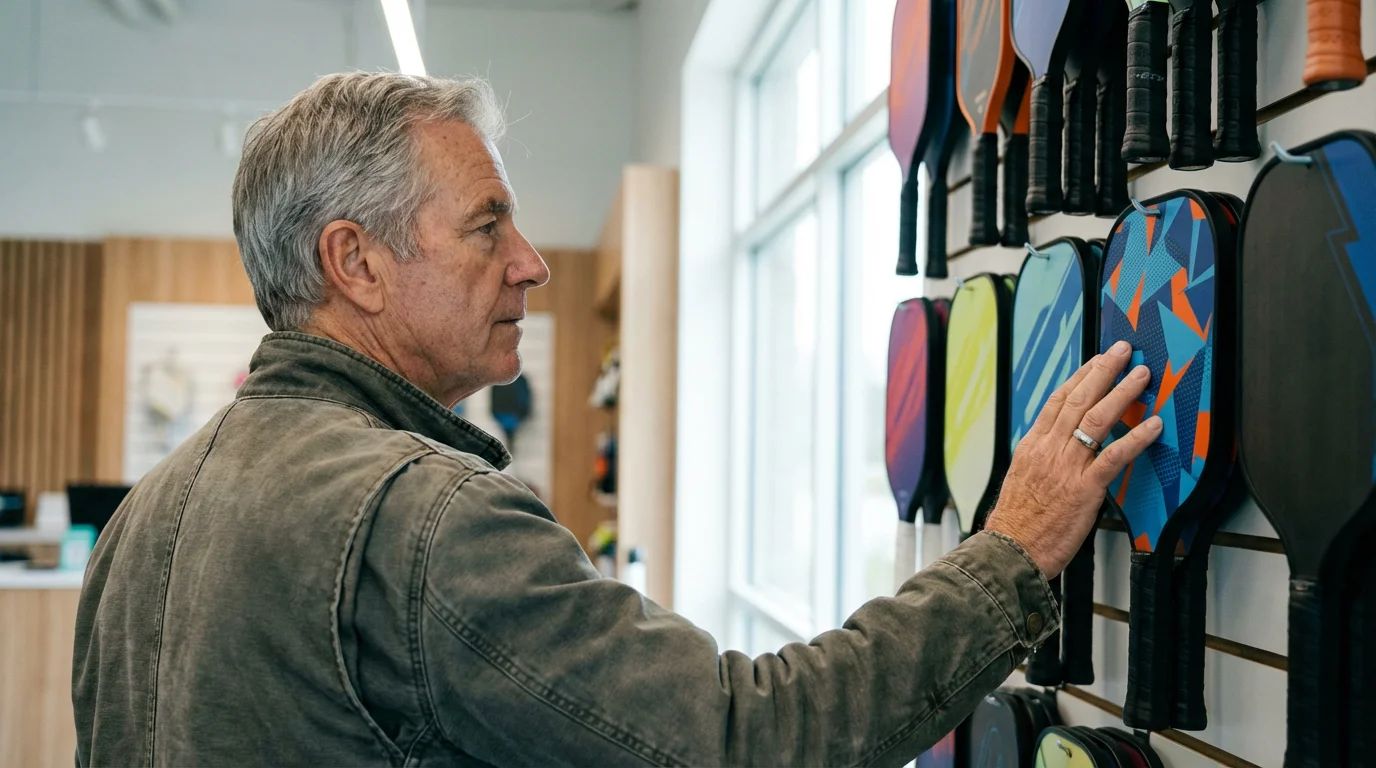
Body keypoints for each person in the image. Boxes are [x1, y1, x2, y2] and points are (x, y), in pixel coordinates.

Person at [71, 72, 1163, 767]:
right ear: (354, 262)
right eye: (485, 226)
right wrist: (1008, 552)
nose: (530, 264)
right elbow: (749, 740)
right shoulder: (425, 519)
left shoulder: (143, 522)